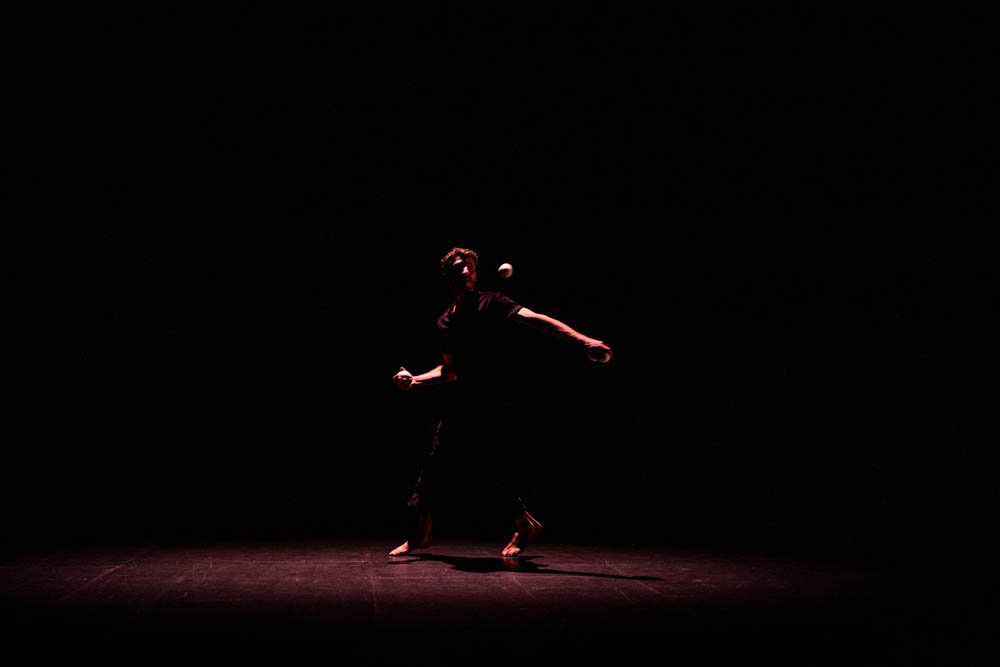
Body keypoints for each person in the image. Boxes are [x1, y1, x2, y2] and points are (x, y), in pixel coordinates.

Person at [389, 247, 613, 557]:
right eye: (459, 266)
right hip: (463, 402)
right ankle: (422, 533)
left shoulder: (492, 302)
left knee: (486, 465)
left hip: (494, 398)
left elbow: (537, 320)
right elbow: (449, 371)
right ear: (448, 274)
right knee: (437, 464)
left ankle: (523, 523)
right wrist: (415, 379)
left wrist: (583, 340)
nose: (466, 271)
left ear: (476, 273)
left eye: (470, 266)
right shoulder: (445, 321)